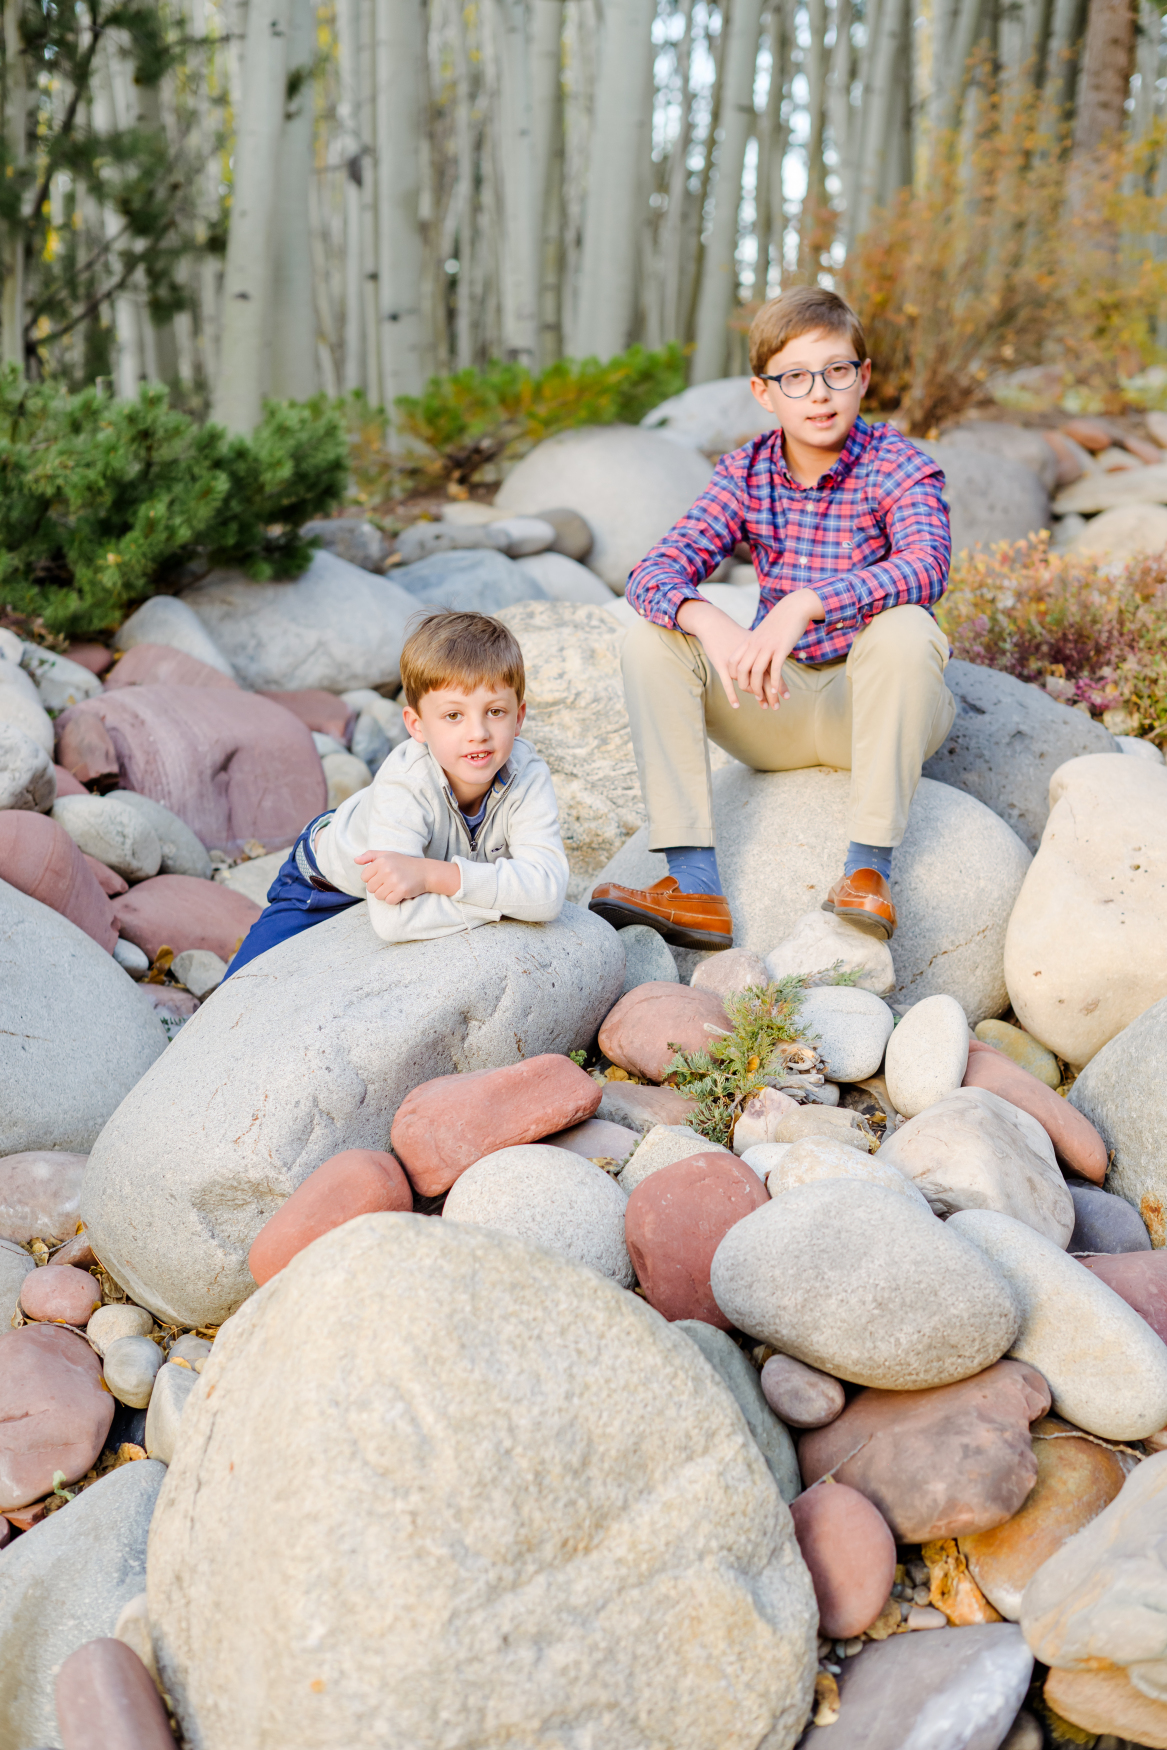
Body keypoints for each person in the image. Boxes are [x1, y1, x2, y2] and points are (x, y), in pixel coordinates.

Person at [588, 284, 956, 950]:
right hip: (774, 707)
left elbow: (926, 565)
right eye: (794, 377)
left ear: (862, 377)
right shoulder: (745, 473)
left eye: (836, 371)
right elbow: (652, 572)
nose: (818, 393)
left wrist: (805, 602)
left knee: (907, 627)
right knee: (651, 639)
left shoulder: (899, 466)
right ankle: (694, 887)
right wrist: (708, 618)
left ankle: (868, 873)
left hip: (871, 709)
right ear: (764, 393)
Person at [222, 609, 568, 977]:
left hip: (420, 868)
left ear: (519, 717)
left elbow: (547, 893)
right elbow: (393, 921)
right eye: (454, 716)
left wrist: (436, 877)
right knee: (244, 986)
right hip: (324, 884)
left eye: (495, 711)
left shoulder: (527, 775)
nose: (478, 732)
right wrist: (509, 902)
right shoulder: (407, 782)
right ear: (416, 726)